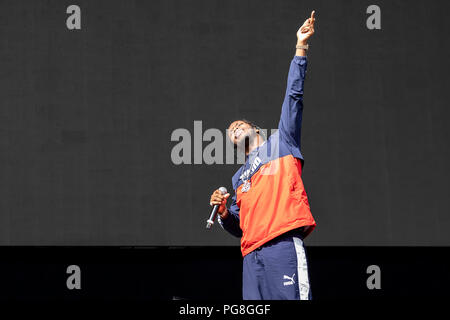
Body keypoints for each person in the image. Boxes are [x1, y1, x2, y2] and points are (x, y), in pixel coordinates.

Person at [209, 11, 317, 300]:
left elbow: (293, 96)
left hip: (281, 245)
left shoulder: (282, 142)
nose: (234, 129)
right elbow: (240, 225)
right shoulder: (238, 177)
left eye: (239, 125)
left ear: (255, 129)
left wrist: (300, 46)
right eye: (231, 131)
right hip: (251, 256)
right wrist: (223, 212)